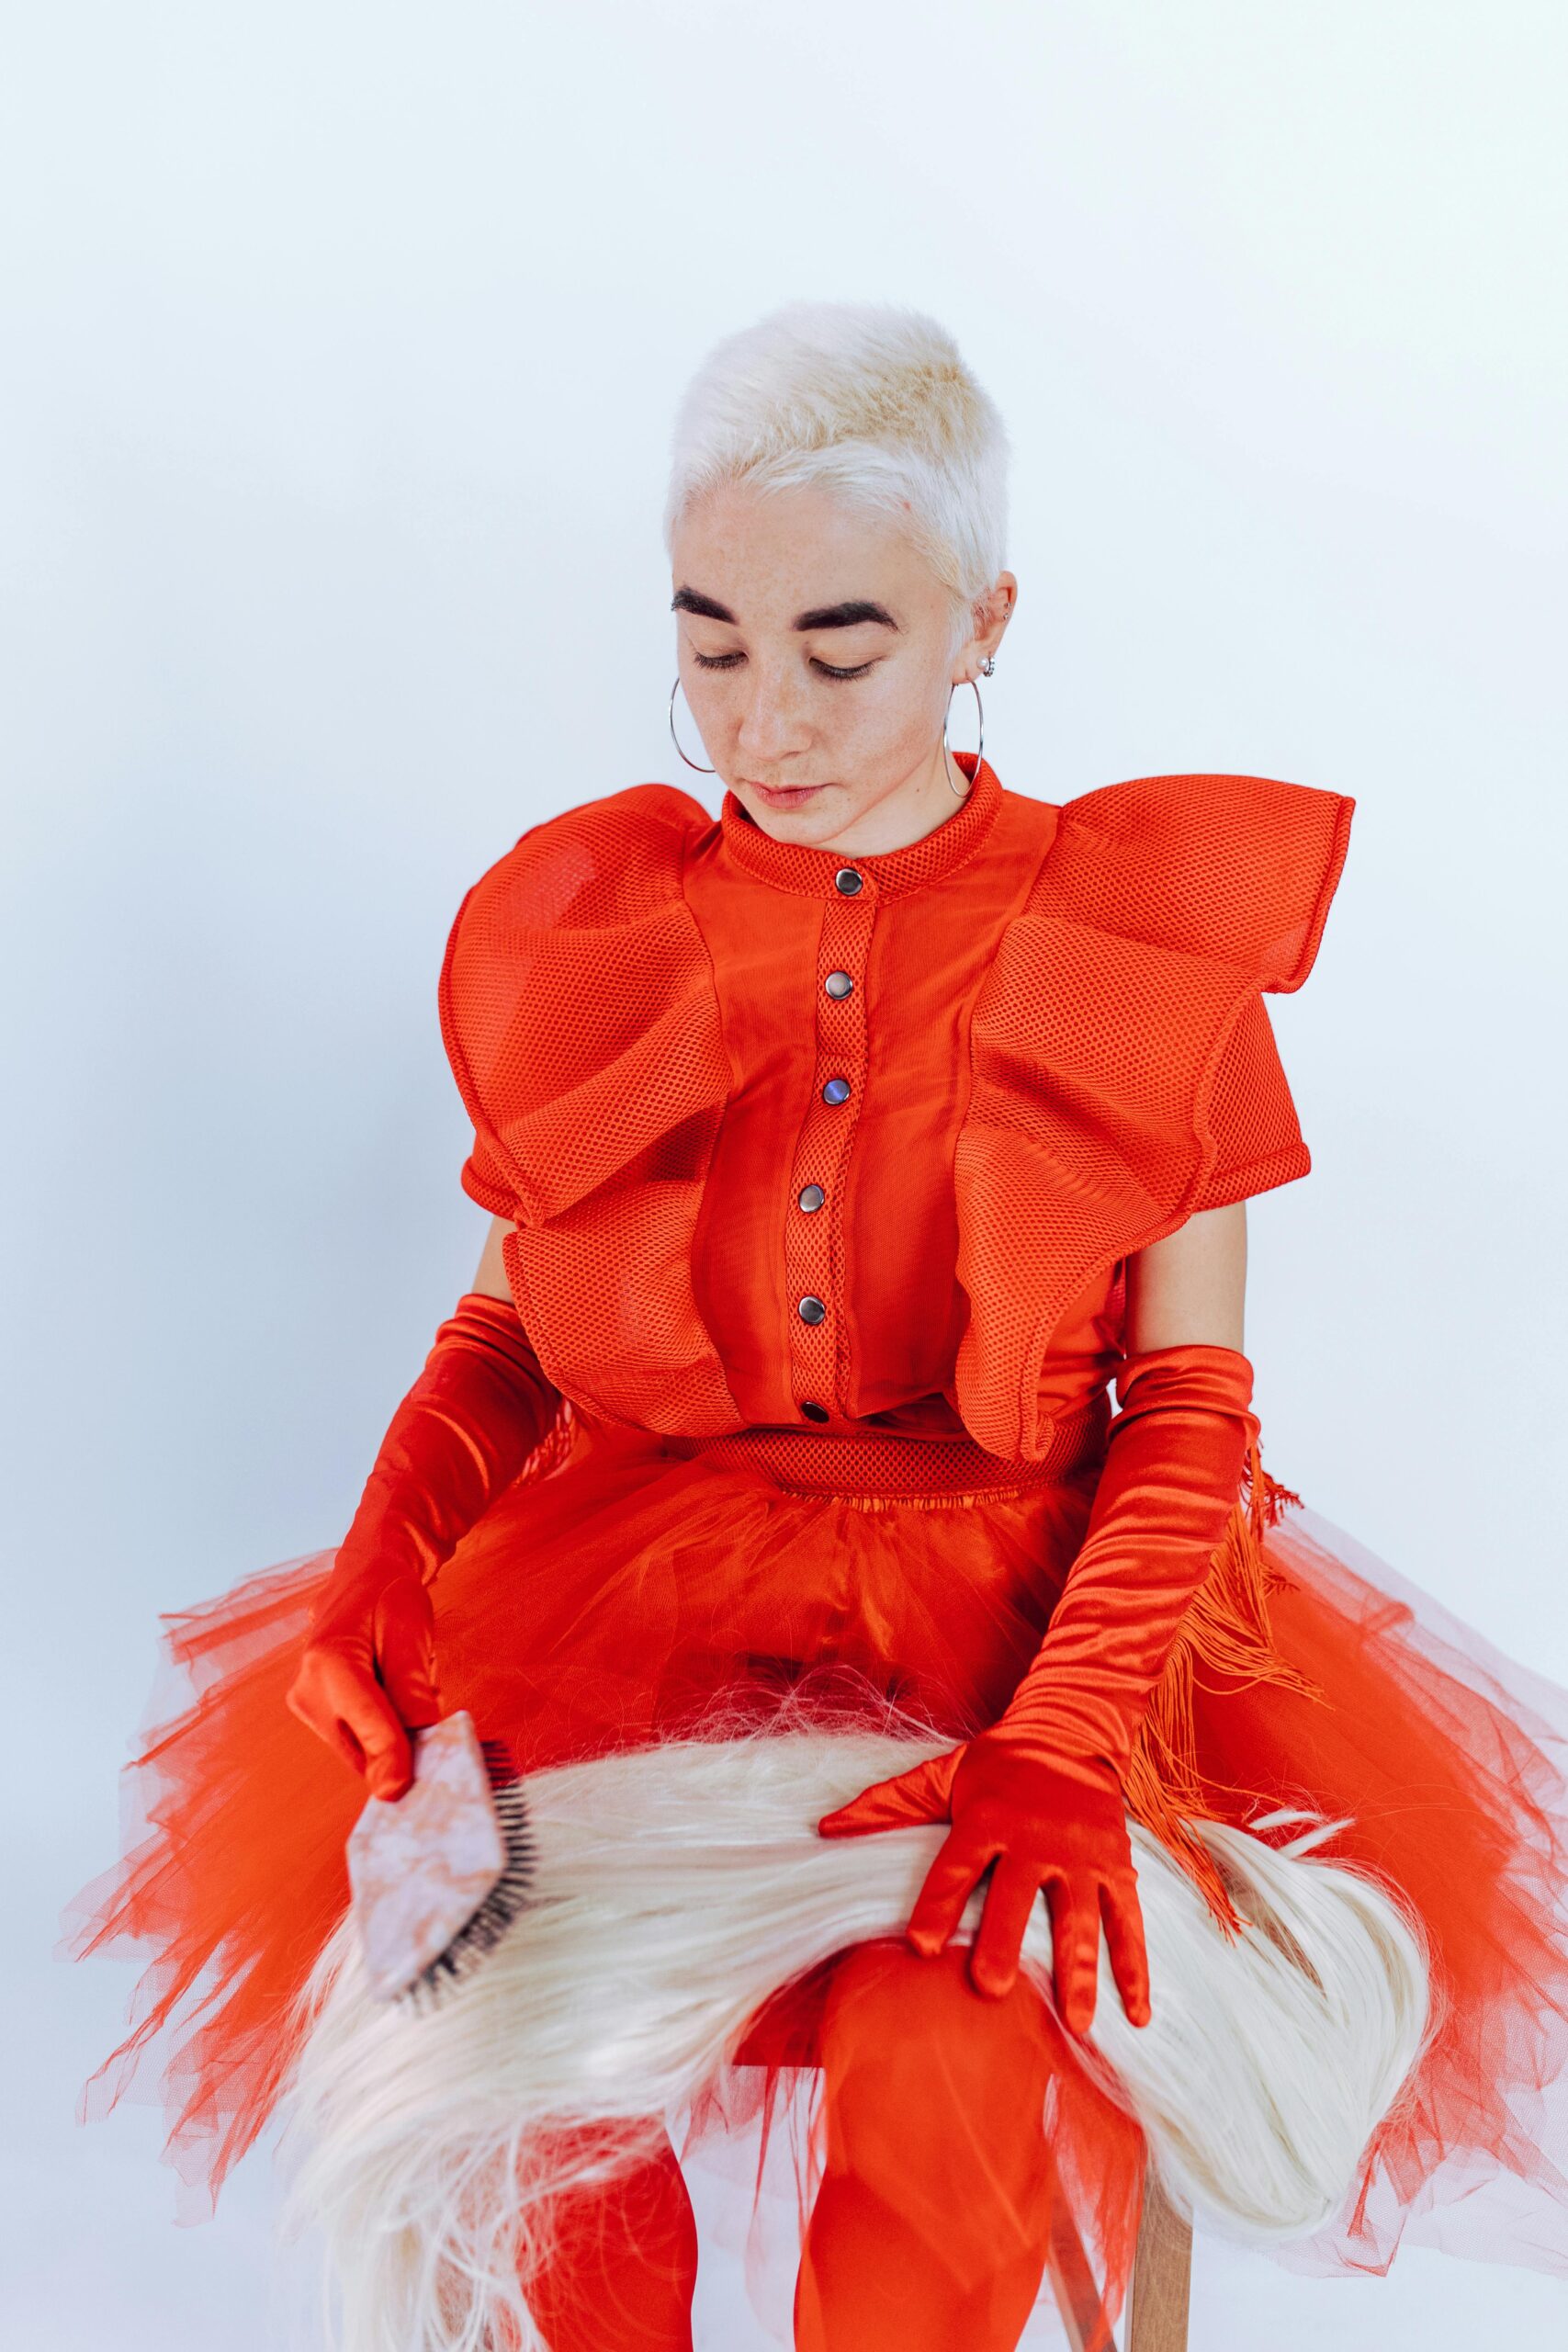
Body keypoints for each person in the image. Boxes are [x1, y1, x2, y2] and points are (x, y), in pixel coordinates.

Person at [69, 302, 1568, 2352]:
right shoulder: (588, 928)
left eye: (837, 648)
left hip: (1011, 1619)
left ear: (981, 621)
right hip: (635, 1605)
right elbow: (507, 1331)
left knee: (949, 2058)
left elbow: (1189, 1411)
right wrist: (382, 1563)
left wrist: (1057, 1736)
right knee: (551, 2108)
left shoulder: (1139, 937)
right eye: (709, 644)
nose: (762, 715)